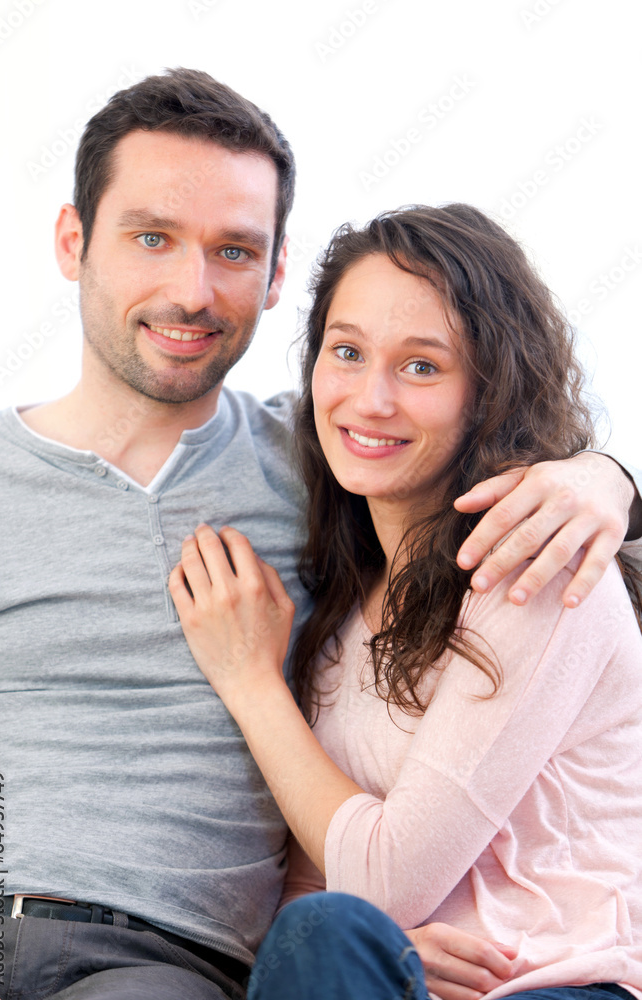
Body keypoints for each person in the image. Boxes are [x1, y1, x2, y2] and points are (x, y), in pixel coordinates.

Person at [0, 68, 639, 999]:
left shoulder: (326, 463)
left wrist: (605, 481)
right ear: (73, 240)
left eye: (234, 251)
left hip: (167, 966)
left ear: (276, 272)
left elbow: (514, 481)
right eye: (152, 236)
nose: (191, 290)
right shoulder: (340, 491)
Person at [169, 204, 642, 1000]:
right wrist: (386, 945)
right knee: (318, 933)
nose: (369, 399)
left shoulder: (531, 566)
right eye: (345, 352)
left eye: (421, 366)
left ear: (489, 391)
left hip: (550, 985)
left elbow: (380, 884)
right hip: (395, 985)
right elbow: (319, 886)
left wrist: (248, 682)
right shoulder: (344, 609)